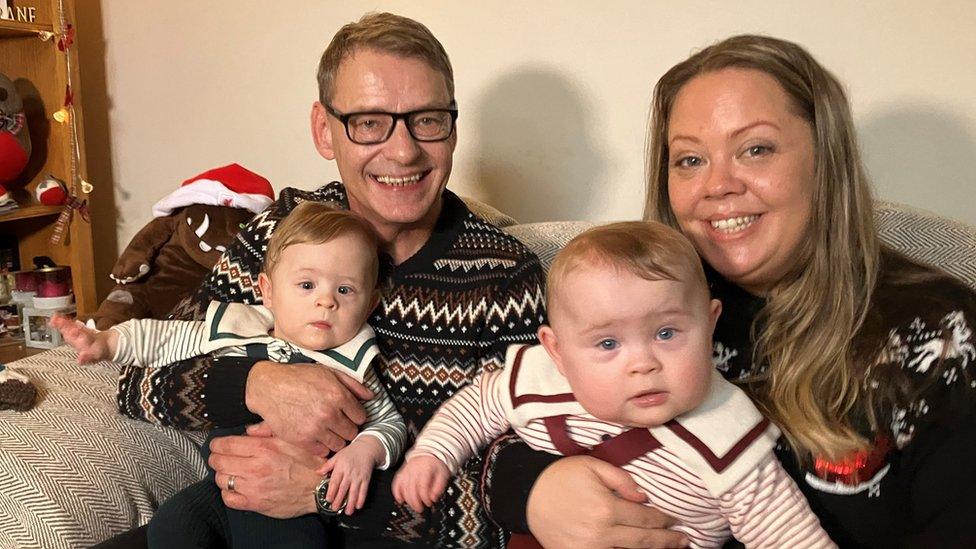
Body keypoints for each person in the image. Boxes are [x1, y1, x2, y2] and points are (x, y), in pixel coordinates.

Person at [486, 34, 976, 548]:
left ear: (826, 159)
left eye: (755, 149)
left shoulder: (939, 333)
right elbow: (509, 413)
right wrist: (531, 489)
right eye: (690, 160)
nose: (717, 185)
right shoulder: (641, 302)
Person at [106, 12, 546, 549]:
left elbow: (525, 499)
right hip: (233, 515)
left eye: (427, 119)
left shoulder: (505, 276)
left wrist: (324, 492)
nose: (404, 151)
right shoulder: (282, 230)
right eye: (368, 122)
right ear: (324, 130)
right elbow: (137, 380)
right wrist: (252, 384)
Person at [394, 221, 835, 548]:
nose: (643, 364)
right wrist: (433, 453)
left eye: (666, 334)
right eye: (608, 343)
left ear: (710, 323)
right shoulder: (540, 381)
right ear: (558, 352)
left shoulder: (726, 433)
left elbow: (789, 537)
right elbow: (475, 405)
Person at [54, 202, 407, 548]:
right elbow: (164, 339)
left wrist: (364, 451)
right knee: (173, 523)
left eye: (345, 290)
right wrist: (108, 342)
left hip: (294, 506)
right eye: (306, 285)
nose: (326, 301)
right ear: (267, 291)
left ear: (370, 304)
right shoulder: (239, 330)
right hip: (223, 490)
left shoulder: (353, 363)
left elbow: (389, 424)